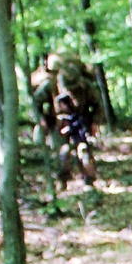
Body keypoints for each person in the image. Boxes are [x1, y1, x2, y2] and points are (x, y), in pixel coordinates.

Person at [32, 51, 102, 187]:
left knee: (84, 151)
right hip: (58, 122)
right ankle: (62, 181)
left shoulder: (86, 86)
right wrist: (41, 119)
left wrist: (95, 122)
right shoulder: (49, 86)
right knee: (61, 153)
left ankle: (89, 180)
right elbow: (35, 103)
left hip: (80, 121)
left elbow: (98, 105)